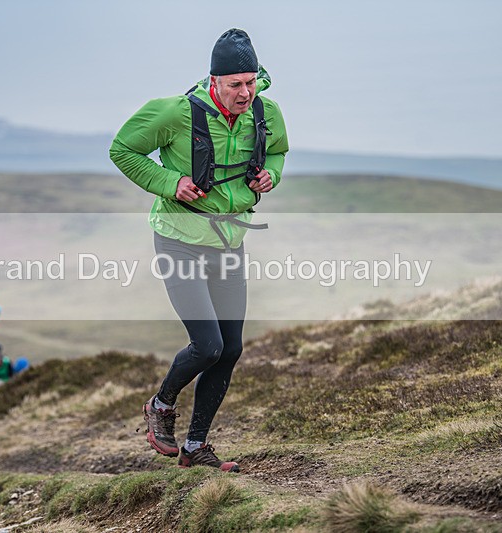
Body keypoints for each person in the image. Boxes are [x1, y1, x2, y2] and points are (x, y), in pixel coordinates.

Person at [110, 29, 288, 471]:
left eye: (250, 82)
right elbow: (122, 149)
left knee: (230, 349)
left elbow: (279, 153)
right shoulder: (175, 112)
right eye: (235, 84)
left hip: (230, 241)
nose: (245, 92)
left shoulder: (266, 111)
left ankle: (195, 447)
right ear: (214, 80)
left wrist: (271, 176)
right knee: (207, 345)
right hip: (180, 240)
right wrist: (170, 183)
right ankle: (161, 405)